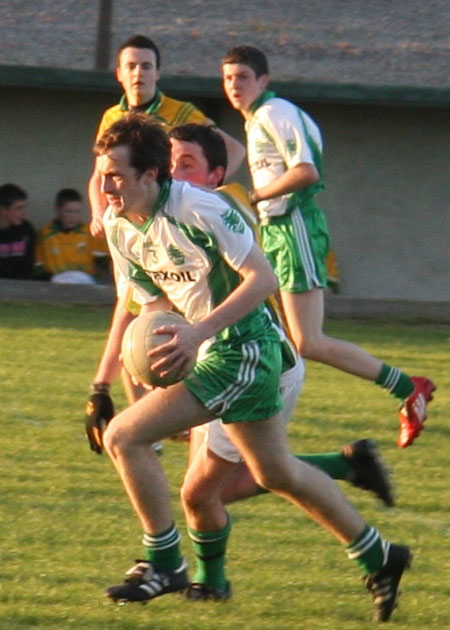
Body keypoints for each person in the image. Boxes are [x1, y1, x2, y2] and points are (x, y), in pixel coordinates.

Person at [86, 113, 411, 623]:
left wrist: (195, 333)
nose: (104, 187)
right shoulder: (119, 227)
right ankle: (379, 555)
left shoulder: (200, 207)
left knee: (124, 437)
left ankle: (166, 561)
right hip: (217, 352)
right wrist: (150, 358)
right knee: (276, 472)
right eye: (101, 174)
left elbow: (262, 279)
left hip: (247, 348)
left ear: (151, 175)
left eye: (115, 175)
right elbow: (149, 309)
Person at [167, 123, 394, 600]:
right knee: (236, 483)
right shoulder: (168, 214)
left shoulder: (215, 207)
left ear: (215, 175)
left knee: (217, 488)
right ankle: (353, 488)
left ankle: (197, 576)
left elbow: (259, 279)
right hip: (226, 360)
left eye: (186, 163)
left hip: (249, 361)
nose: (173, 171)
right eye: (168, 161)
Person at [221, 45, 435, 449]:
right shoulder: (259, 119)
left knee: (306, 341)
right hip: (277, 229)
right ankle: (236, 415)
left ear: (263, 81)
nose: (234, 85)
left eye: (243, 77)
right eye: (228, 78)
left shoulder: (274, 112)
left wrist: (257, 195)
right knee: (268, 329)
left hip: (294, 225)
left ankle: (409, 387)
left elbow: (306, 171)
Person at [88, 34, 245, 237]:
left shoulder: (182, 112)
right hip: (128, 222)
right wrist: (98, 213)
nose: (138, 73)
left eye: (146, 66)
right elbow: (99, 175)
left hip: (169, 219)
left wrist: (207, 187)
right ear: (119, 73)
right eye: (131, 66)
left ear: (157, 73)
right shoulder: (111, 117)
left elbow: (236, 150)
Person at [34, 188, 110, 284]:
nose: (73, 216)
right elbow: (39, 267)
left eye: (77, 212)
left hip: (85, 281)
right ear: (57, 209)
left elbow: (104, 261)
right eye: (69, 211)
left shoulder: (89, 231)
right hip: (57, 282)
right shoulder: (46, 234)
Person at [0, 183, 36, 279]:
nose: (23, 213)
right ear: (3, 210)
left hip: (21, 286)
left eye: (24, 208)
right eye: (18, 208)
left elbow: (28, 266)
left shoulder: (26, 230)